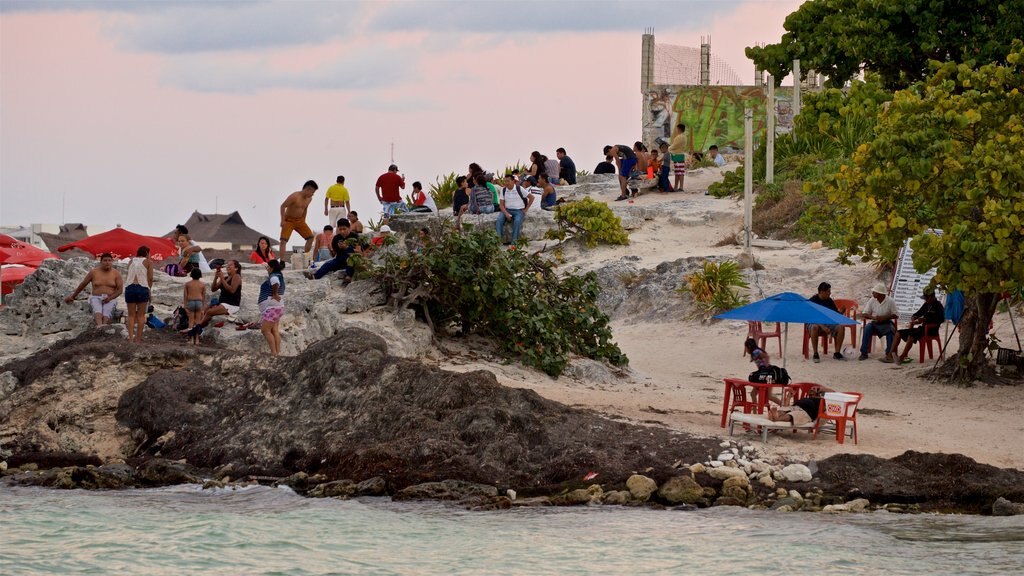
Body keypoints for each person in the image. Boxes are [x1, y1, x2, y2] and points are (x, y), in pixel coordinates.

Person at [65, 252, 124, 327]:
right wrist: (73, 296)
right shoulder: (94, 272)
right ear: (101, 262)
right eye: (105, 260)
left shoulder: (116, 274)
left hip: (110, 298)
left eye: (109, 260)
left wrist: (110, 298)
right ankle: (99, 327)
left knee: (107, 313)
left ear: (112, 262)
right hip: (96, 297)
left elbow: (120, 290)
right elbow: (83, 284)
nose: (107, 263)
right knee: (97, 311)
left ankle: (104, 327)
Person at [894, 288, 945, 364]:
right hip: (922, 329)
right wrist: (914, 317)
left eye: (926, 298)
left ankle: (901, 357)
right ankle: (891, 354)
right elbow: (917, 313)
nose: (925, 300)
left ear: (932, 297)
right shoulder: (926, 304)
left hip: (931, 330)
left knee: (911, 336)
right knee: (898, 333)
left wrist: (925, 320)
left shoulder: (938, 306)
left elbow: (941, 320)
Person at [859, 282, 899, 362]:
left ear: (880, 294)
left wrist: (884, 317)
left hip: (886, 322)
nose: (873, 293)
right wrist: (873, 317)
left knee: (891, 331)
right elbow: (865, 313)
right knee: (867, 328)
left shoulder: (890, 301)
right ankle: (864, 353)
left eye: (874, 292)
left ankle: (889, 354)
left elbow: (896, 315)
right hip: (875, 323)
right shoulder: (872, 300)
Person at [808, 281, 846, 362]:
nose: (830, 293)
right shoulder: (812, 301)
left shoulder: (829, 300)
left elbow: (834, 314)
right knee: (814, 327)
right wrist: (823, 326)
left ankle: (837, 353)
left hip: (827, 322)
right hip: (814, 323)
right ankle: (815, 353)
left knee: (841, 327)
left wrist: (841, 312)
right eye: (828, 291)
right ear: (822, 292)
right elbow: (811, 317)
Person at [198, 259, 242, 328]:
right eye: (227, 265)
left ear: (236, 268)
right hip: (222, 302)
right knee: (204, 308)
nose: (228, 267)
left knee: (210, 312)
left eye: (230, 265)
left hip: (231, 304)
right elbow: (213, 289)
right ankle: (201, 324)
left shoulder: (236, 276)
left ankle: (197, 328)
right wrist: (216, 278)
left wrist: (222, 279)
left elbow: (232, 290)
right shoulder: (225, 278)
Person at [280, 180, 319, 255]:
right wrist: (282, 220)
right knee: (283, 241)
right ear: (308, 189)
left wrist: (304, 220)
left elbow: (305, 209)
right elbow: (283, 206)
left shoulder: (309, 199)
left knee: (310, 238)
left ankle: (305, 257)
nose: (312, 195)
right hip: (289, 220)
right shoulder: (294, 196)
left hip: (299, 220)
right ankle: (282, 261)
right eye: (312, 193)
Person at [124, 246, 153, 343]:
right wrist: (149, 290)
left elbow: (128, 274)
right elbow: (150, 278)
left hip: (130, 287)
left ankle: (130, 338)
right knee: (141, 315)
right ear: (147, 253)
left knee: (131, 315)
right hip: (142, 288)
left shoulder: (131, 261)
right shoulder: (148, 262)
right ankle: (138, 339)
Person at [766, 385, 834, 426]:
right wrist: (789, 397)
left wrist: (822, 388)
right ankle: (775, 415)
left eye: (814, 389)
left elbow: (834, 393)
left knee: (793, 415)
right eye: (810, 390)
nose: (811, 390)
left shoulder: (822, 400)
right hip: (795, 407)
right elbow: (786, 406)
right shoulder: (806, 398)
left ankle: (776, 418)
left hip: (807, 413)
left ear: (818, 393)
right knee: (784, 409)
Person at [497, 174, 534, 245]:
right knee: (499, 220)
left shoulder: (519, 188)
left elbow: (531, 197)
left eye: (508, 181)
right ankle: (498, 241)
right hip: (507, 209)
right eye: (505, 181)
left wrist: (526, 209)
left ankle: (514, 243)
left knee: (517, 221)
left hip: (518, 210)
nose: (506, 183)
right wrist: (506, 214)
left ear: (513, 181)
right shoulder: (503, 190)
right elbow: (501, 205)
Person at [258, 259, 286, 356]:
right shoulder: (279, 275)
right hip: (277, 307)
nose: (267, 269)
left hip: (272, 308)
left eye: (268, 267)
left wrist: (274, 293)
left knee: (265, 330)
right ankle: (277, 353)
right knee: (274, 330)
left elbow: (275, 283)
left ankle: (274, 353)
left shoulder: (274, 276)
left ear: (272, 268)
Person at [183, 268, 206, 343]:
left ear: (191, 274)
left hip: (191, 302)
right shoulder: (202, 284)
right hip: (199, 302)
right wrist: (203, 307)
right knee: (197, 321)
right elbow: (203, 296)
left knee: (191, 320)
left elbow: (185, 296)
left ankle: (191, 338)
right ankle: (197, 339)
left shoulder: (188, 284)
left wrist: (185, 305)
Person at [668, 123, 687, 192]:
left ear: (679, 129)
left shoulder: (679, 137)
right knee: (678, 172)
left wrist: (668, 148)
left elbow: (674, 146)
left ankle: (680, 187)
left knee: (679, 172)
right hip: (679, 155)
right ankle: (676, 187)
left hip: (677, 155)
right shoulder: (684, 136)